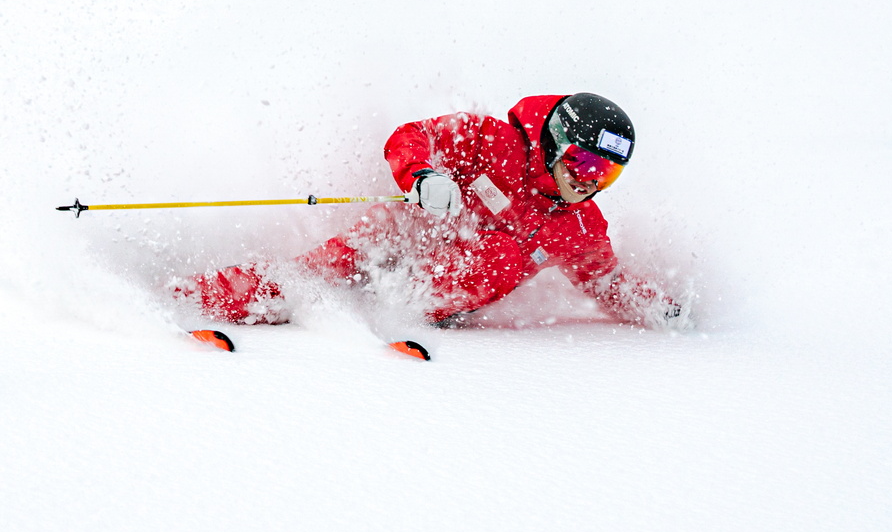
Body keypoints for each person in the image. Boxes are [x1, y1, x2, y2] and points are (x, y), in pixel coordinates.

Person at [173, 93, 687, 330]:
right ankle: (183, 301)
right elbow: (410, 136)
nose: (589, 181)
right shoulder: (493, 141)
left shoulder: (577, 225)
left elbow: (606, 280)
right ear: (555, 141)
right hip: (400, 236)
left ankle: (389, 312)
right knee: (321, 272)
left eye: (608, 173)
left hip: (433, 291)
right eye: (583, 162)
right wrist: (423, 174)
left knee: (515, 250)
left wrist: (660, 309)